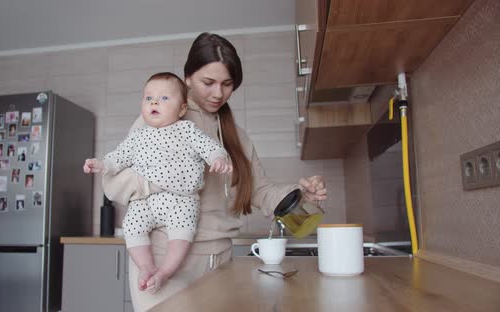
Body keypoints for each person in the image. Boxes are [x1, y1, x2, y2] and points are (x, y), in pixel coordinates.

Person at [100, 32, 328, 311]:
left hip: (222, 260)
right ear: (187, 78)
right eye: (208, 82)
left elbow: (260, 190)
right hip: (165, 260)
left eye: (227, 84)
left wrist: (299, 195)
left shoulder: (237, 136)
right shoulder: (161, 120)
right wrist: (173, 180)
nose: (218, 93)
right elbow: (113, 183)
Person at [83, 72, 232, 294]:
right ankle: (146, 266)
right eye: (148, 98)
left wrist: (217, 158)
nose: (154, 102)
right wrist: (102, 164)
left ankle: (165, 272)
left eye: (164, 98)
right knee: (131, 226)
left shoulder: (186, 129)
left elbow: (208, 146)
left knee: (182, 234)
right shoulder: (138, 135)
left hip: (181, 200)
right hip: (146, 200)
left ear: (182, 109)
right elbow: (119, 156)